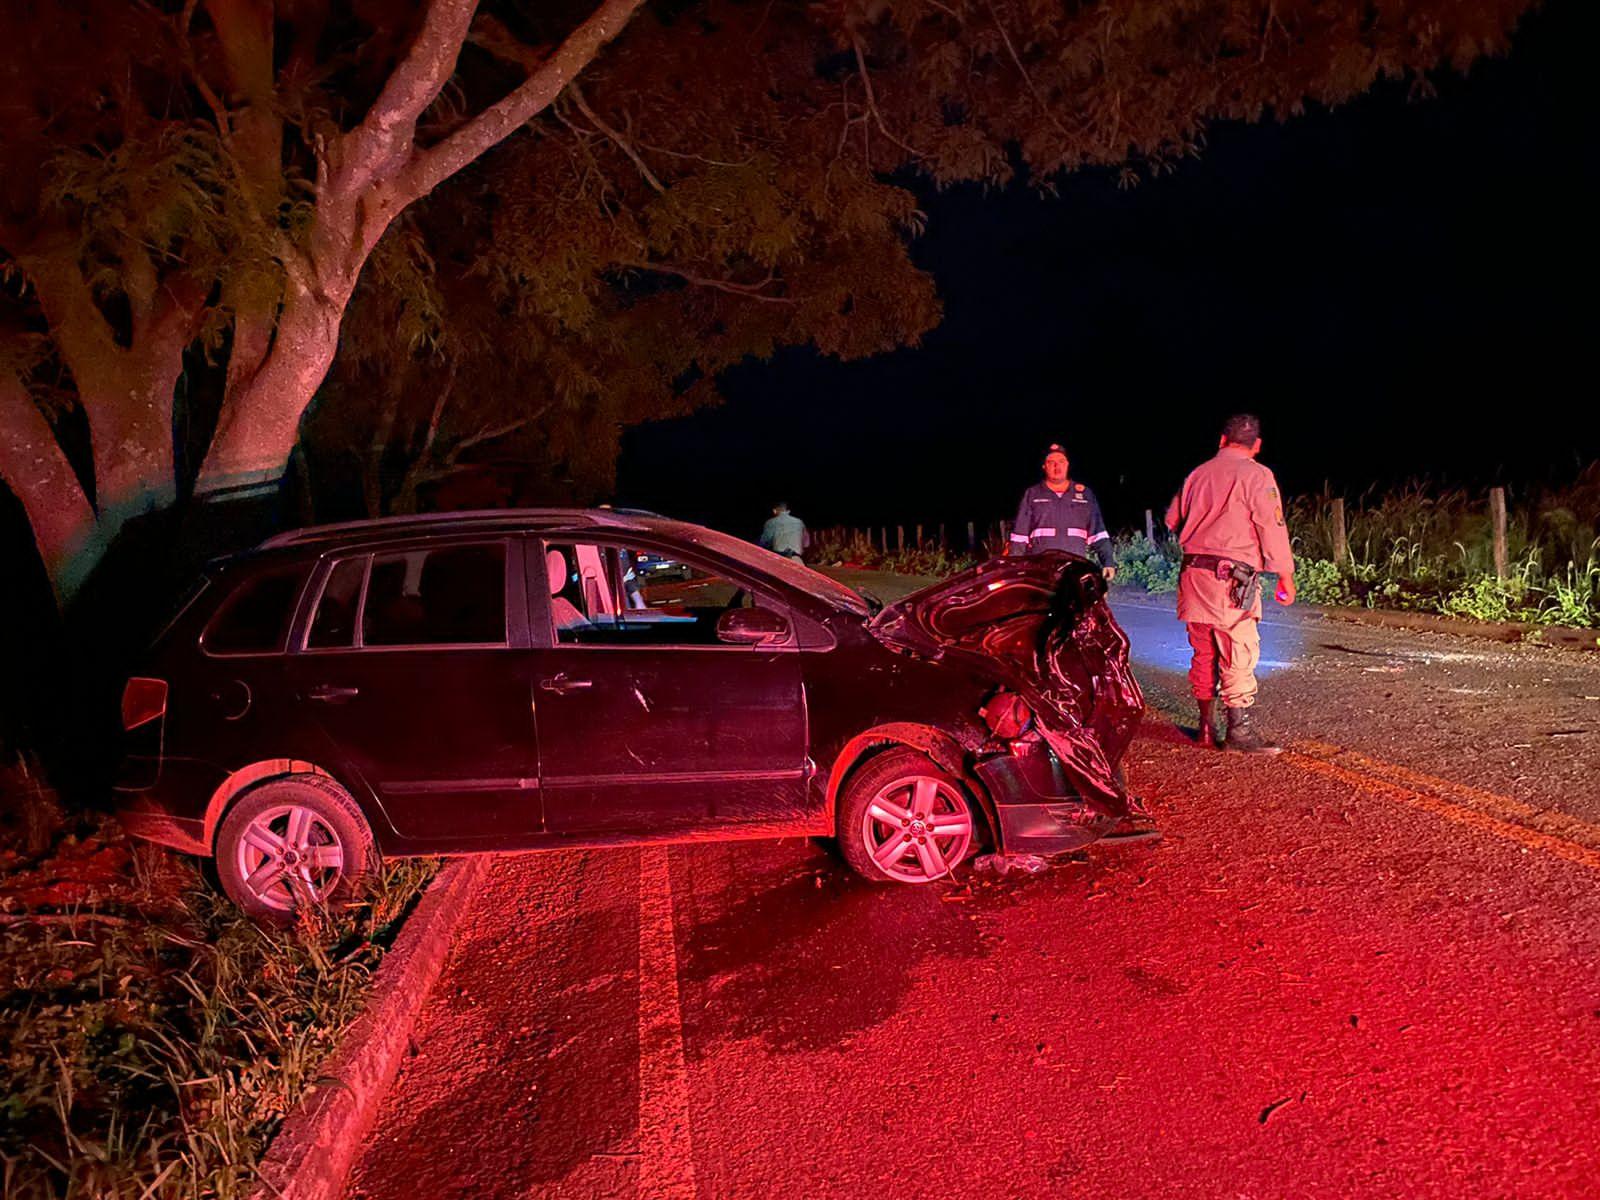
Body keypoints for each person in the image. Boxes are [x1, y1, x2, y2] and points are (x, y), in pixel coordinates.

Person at [1164, 413, 1296, 755]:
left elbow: (1171, 519)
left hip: (1194, 576)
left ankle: (1206, 728)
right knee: (1238, 650)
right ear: (1257, 445)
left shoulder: (1197, 473)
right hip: (1231, 580)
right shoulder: (1257, 474)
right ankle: (1238, 732)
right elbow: (1271, 526)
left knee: (1203, 651)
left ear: (1222, 440)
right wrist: (1284, 573)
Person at [1007, 443, 1116, 580]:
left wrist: (1108, 562)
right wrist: (1013, 570)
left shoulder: (1085, 495)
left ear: (1067, 465)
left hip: (1075, 571)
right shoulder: (1032, 494)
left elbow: (1098, 534)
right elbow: (1019, 538)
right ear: (1044, 466)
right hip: (1040, 573)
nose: (1057, 467)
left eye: (1061, 462)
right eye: (1051, 462)